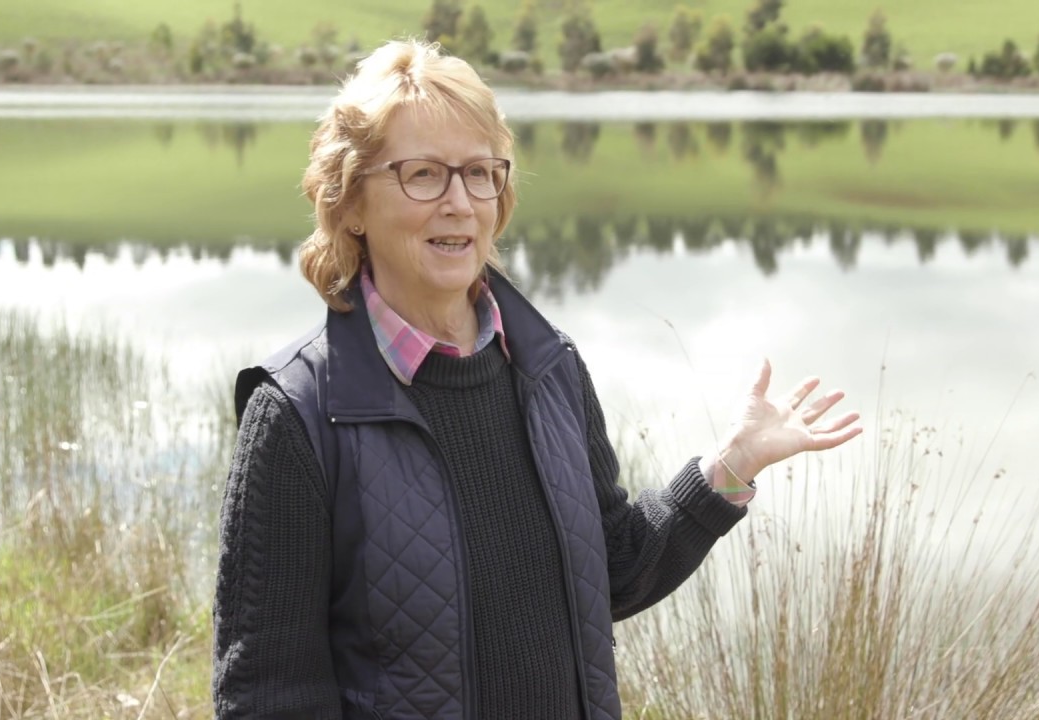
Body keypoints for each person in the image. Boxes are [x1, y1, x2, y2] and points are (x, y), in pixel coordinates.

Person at [213, 39, 861, 720]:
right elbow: (267, 694)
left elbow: (610, 571)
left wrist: (731, 467)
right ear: (348, 203)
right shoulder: (298, 414)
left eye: (479, 173)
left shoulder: (551, 370)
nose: (460, 203)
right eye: (423, 174)